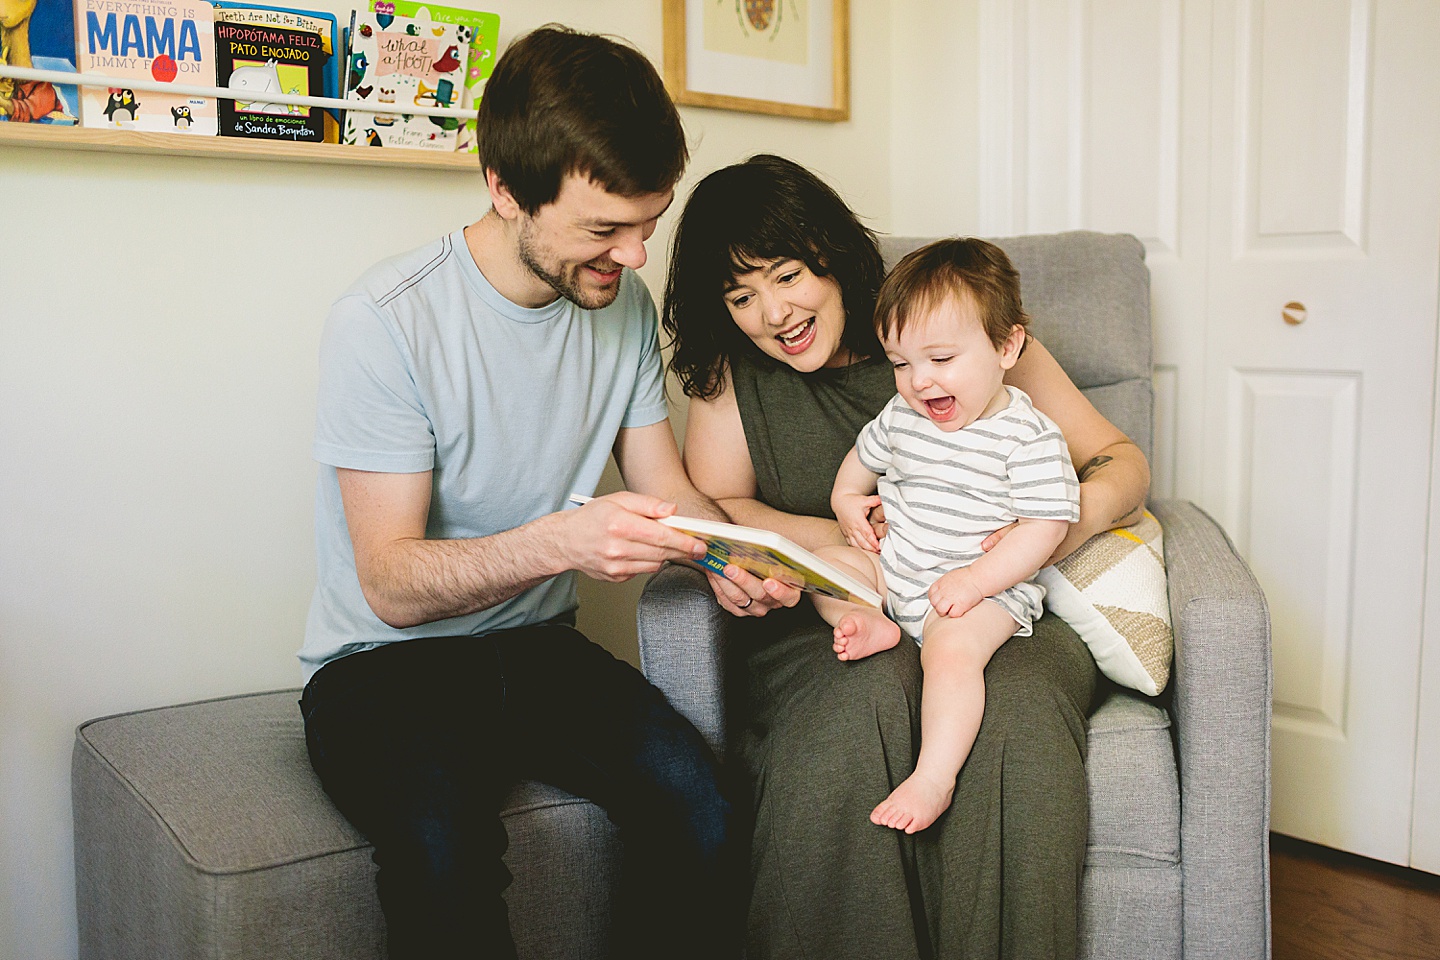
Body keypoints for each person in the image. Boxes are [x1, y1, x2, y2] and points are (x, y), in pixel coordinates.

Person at [297, 26, 772, 960]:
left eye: (650, 222)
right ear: (505, 189)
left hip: (539, 650)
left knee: (704, 812)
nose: (636, 257)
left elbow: (666, 489)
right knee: (443, 857)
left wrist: (736, 559)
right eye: (605, 229)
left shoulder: (618, 302)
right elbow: (389, 583)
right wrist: (564, 541)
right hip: (380, 667)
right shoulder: (385, 323)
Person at [662, 154, 1150, 959]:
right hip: (845, 605)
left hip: (995, 597)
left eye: (787, 276)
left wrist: (1050, 531)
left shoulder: (964, 335)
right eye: (740, 296)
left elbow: (1120, 461)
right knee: (856, 709)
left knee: (1015, 718)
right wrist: (845, 538)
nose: (772, 314)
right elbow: (725, 506)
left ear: (831, 254)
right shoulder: (731, 368)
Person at [810, 237, 1080, 835]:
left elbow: (1045, 526)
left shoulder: (1028, 437)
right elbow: (859, 464)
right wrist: (847, 503)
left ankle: (934, 775)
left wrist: (976, 580)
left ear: (1007, 346)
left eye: (940, 359)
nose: (919, 382)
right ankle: (870, 616)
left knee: (952, 656)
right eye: (901, 364)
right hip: (897, 567)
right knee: (822, 567)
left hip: (981, 593)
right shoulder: (901, 416)